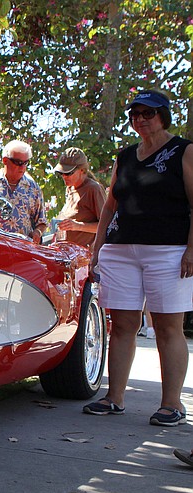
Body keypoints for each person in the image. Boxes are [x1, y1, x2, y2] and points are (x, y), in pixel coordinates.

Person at [84, 89, 193, 426]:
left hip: (169, 250)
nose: (141, 119)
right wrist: (98, 245)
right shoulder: (126, 155)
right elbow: (110, 204)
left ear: (164, 116)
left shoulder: (184, 151)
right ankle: (114, 397)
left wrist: (192, 248)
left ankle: (172, 403)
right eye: (136, 113)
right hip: (122, 249)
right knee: (123, 325)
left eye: (149, 112)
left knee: (167, 327)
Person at [0, 140, 47, 243]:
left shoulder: (33, 188)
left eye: (26, 163)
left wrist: (37, 232)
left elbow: (41, 222)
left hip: (21, 251)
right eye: (19, 163)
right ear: (5, 161)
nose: (23, 167)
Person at [53, 147, 106, 247]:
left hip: (86, 256)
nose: (64, 176)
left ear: (82, 170)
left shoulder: (93, 189)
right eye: (61, 173)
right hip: (67, 254)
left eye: (68, 173)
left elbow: (106, 226)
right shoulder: (69, 189)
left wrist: (77, 226)